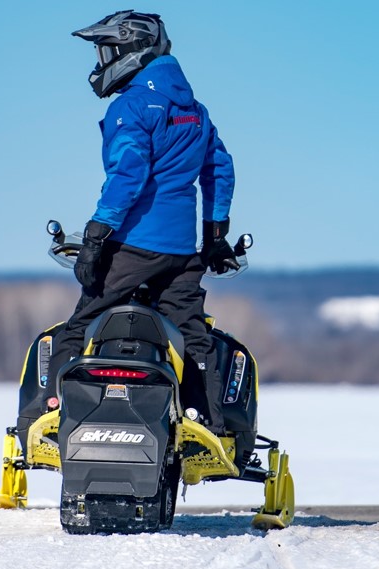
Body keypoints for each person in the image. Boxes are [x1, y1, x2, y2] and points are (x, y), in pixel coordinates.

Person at [45, 10, 237, 433]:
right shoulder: (196, 111)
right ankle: (207, 422)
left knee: (78, 327)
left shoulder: (131, 106)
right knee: (193, 338)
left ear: (133, 50)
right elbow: (220, 168)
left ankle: (49, 414)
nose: (101, 62)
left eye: (107, 51)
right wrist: (215, 233)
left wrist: (96, 235)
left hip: (134, 246)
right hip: (181, 252)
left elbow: (128, 173)